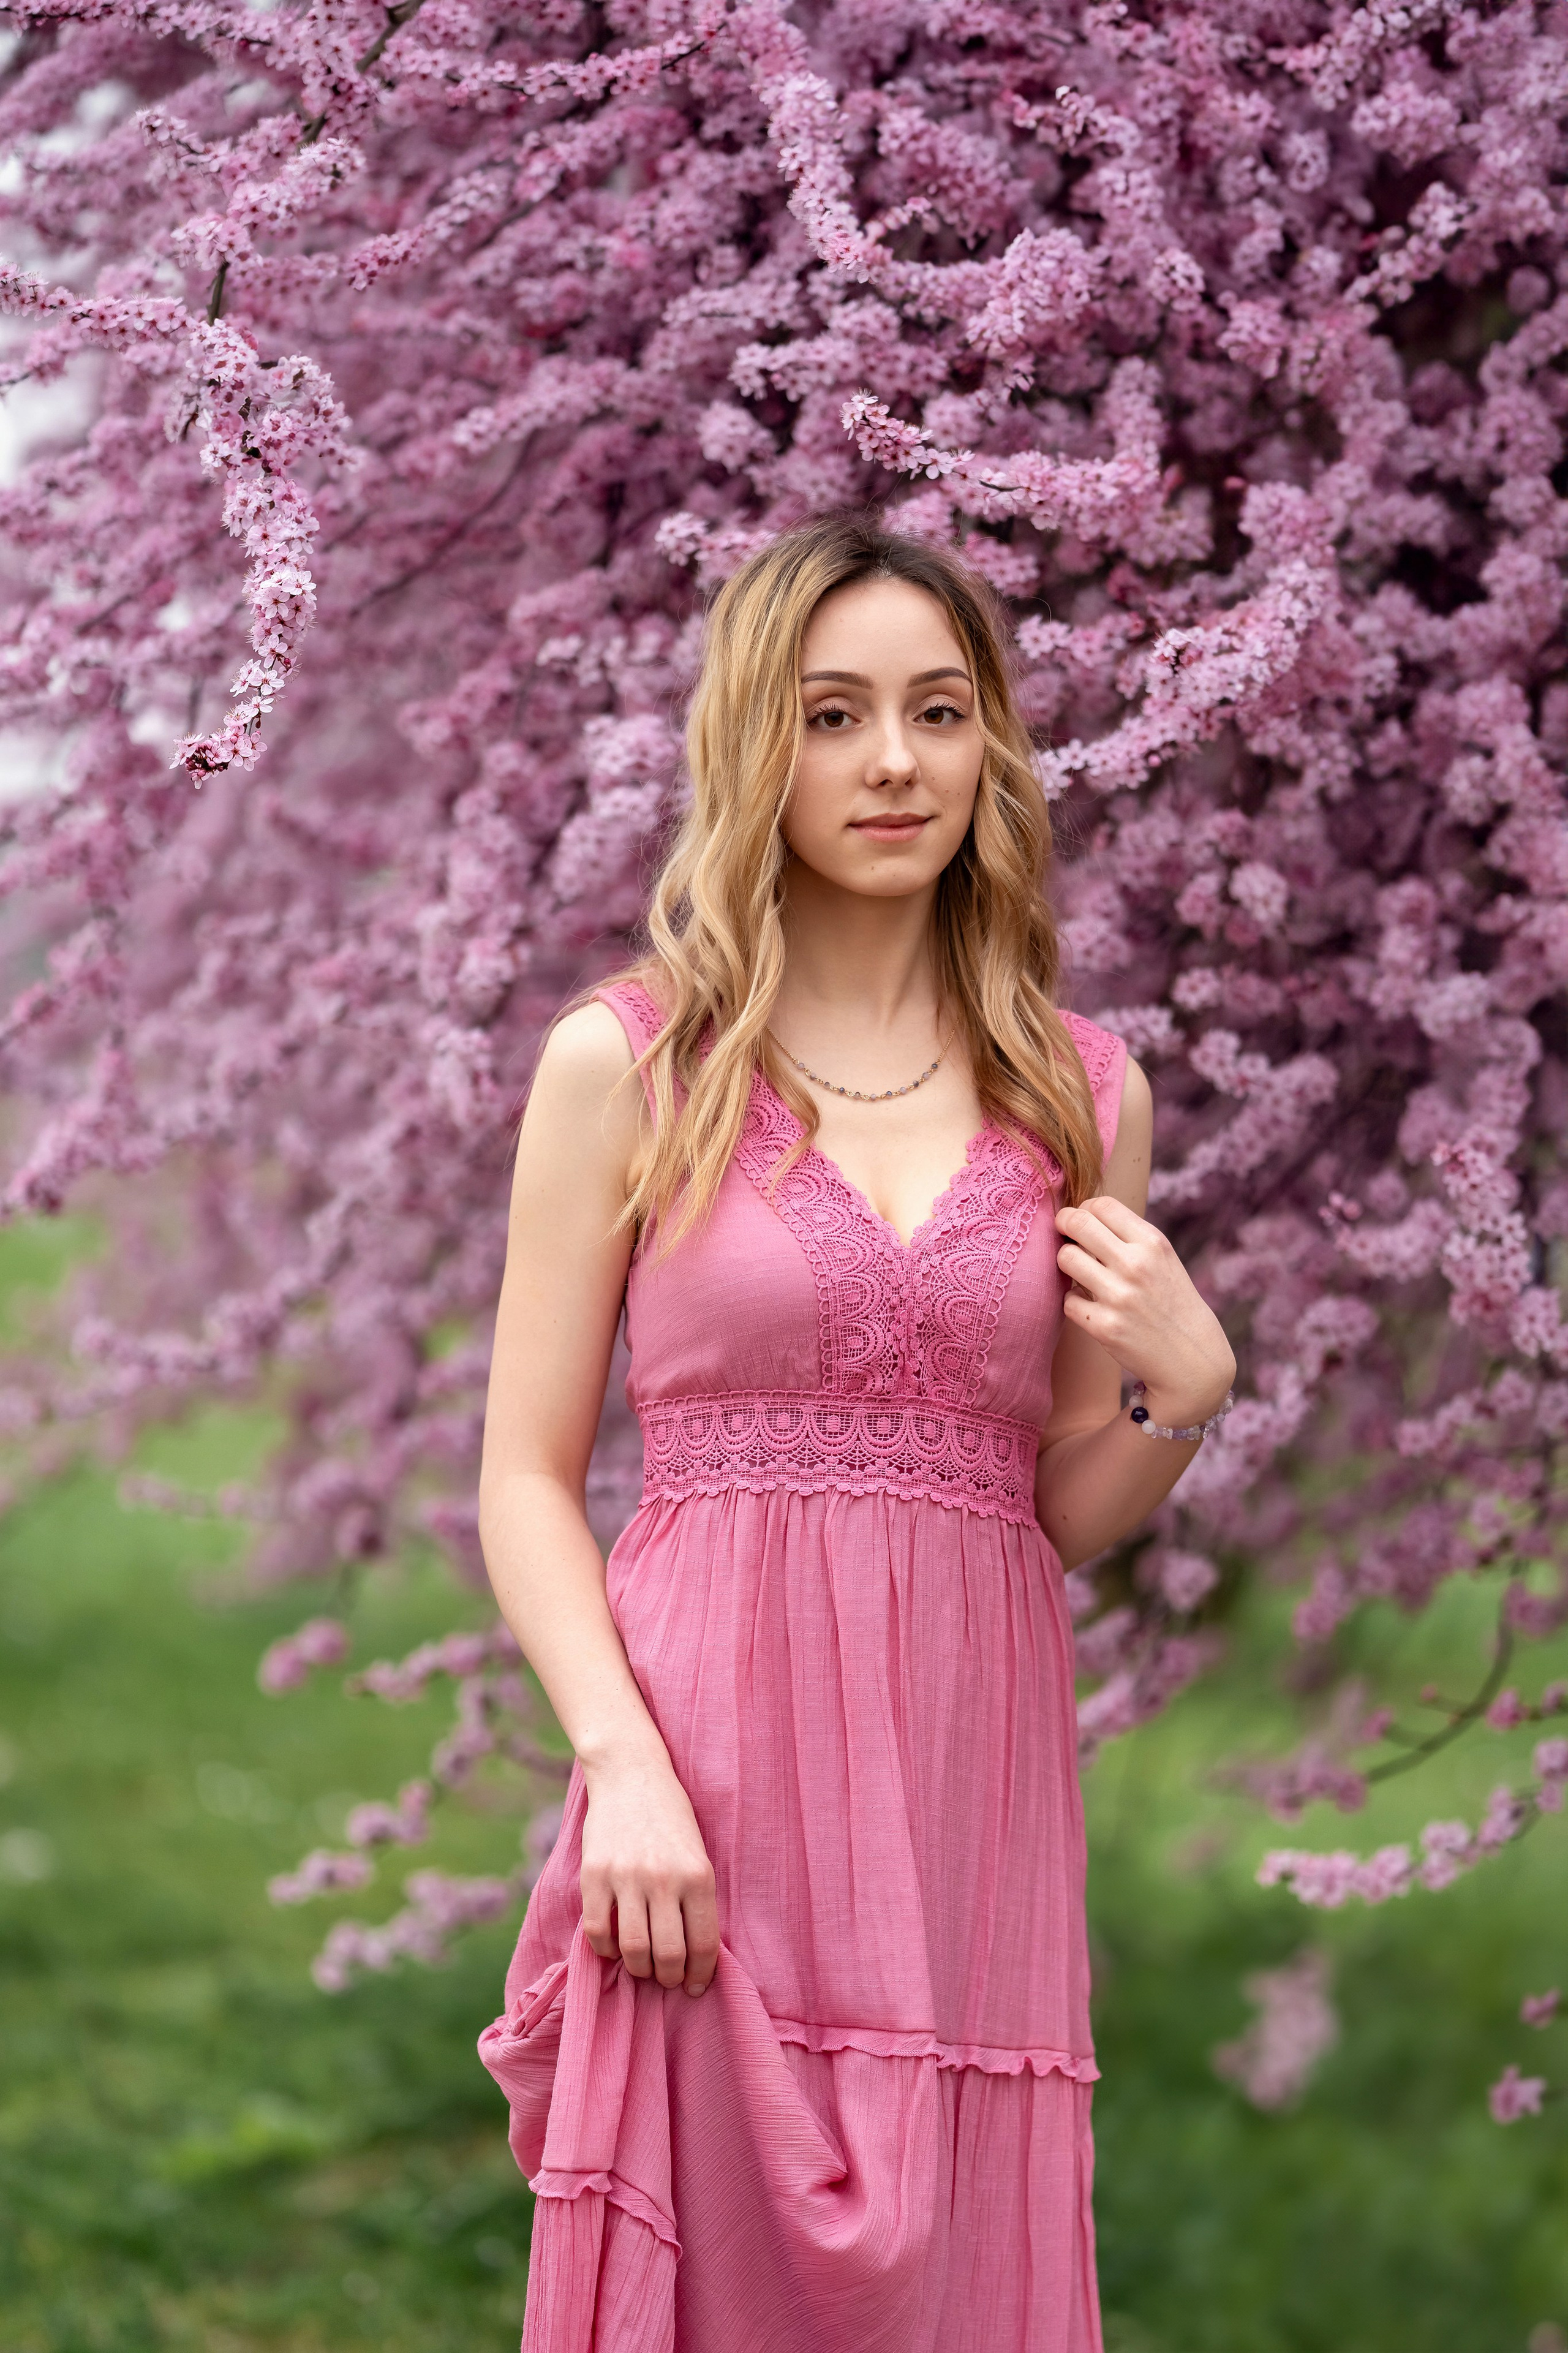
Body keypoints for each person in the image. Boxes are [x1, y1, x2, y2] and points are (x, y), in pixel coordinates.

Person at [477, 515, 1236, 2353]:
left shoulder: (1082, 1089)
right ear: (759, 744)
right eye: (832, 715)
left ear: (994, 747)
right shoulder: (632, 1063)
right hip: (701, 1785)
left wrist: (1183, 1402)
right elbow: (522, 1472)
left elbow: (1043, 1506)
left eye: (937, 710)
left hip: (963, 1798)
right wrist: (622, 1765)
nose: (893, 762)